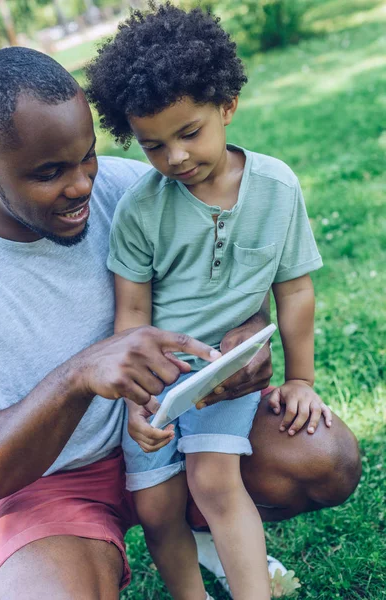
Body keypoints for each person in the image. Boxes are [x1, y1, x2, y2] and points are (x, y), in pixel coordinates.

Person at [0, 46, 360, 600]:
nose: (83, 185)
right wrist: (78, 375)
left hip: (180, 421)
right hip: (52, 481)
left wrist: (245, 337)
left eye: (87, 156)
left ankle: (205, 527)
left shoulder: (133, 189)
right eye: (49, 173)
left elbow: (224, 281)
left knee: (321, 457)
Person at [84, 4, 349, 599]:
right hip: (157, 382)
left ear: (226, 106)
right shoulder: (141, 210)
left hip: (223, 373)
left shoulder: (277, 188)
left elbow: (296, 288)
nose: (174, 158)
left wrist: (301, 378)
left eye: (189, 133)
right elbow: (131, 315)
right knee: (156, 509)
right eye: (152, 145)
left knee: (214, 480)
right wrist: (137, 399)